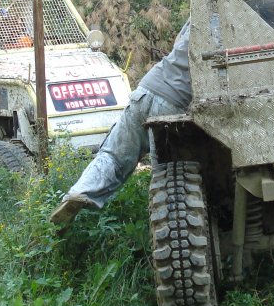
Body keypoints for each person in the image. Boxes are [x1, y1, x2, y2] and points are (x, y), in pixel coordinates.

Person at [50, 21, 192, 228]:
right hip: (174, 102)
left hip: (146, 90)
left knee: (112, 155)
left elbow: (178, 43)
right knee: (168, 175)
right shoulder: (229, 22)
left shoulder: (197, 15)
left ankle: (80, 191)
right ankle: (169, 230)